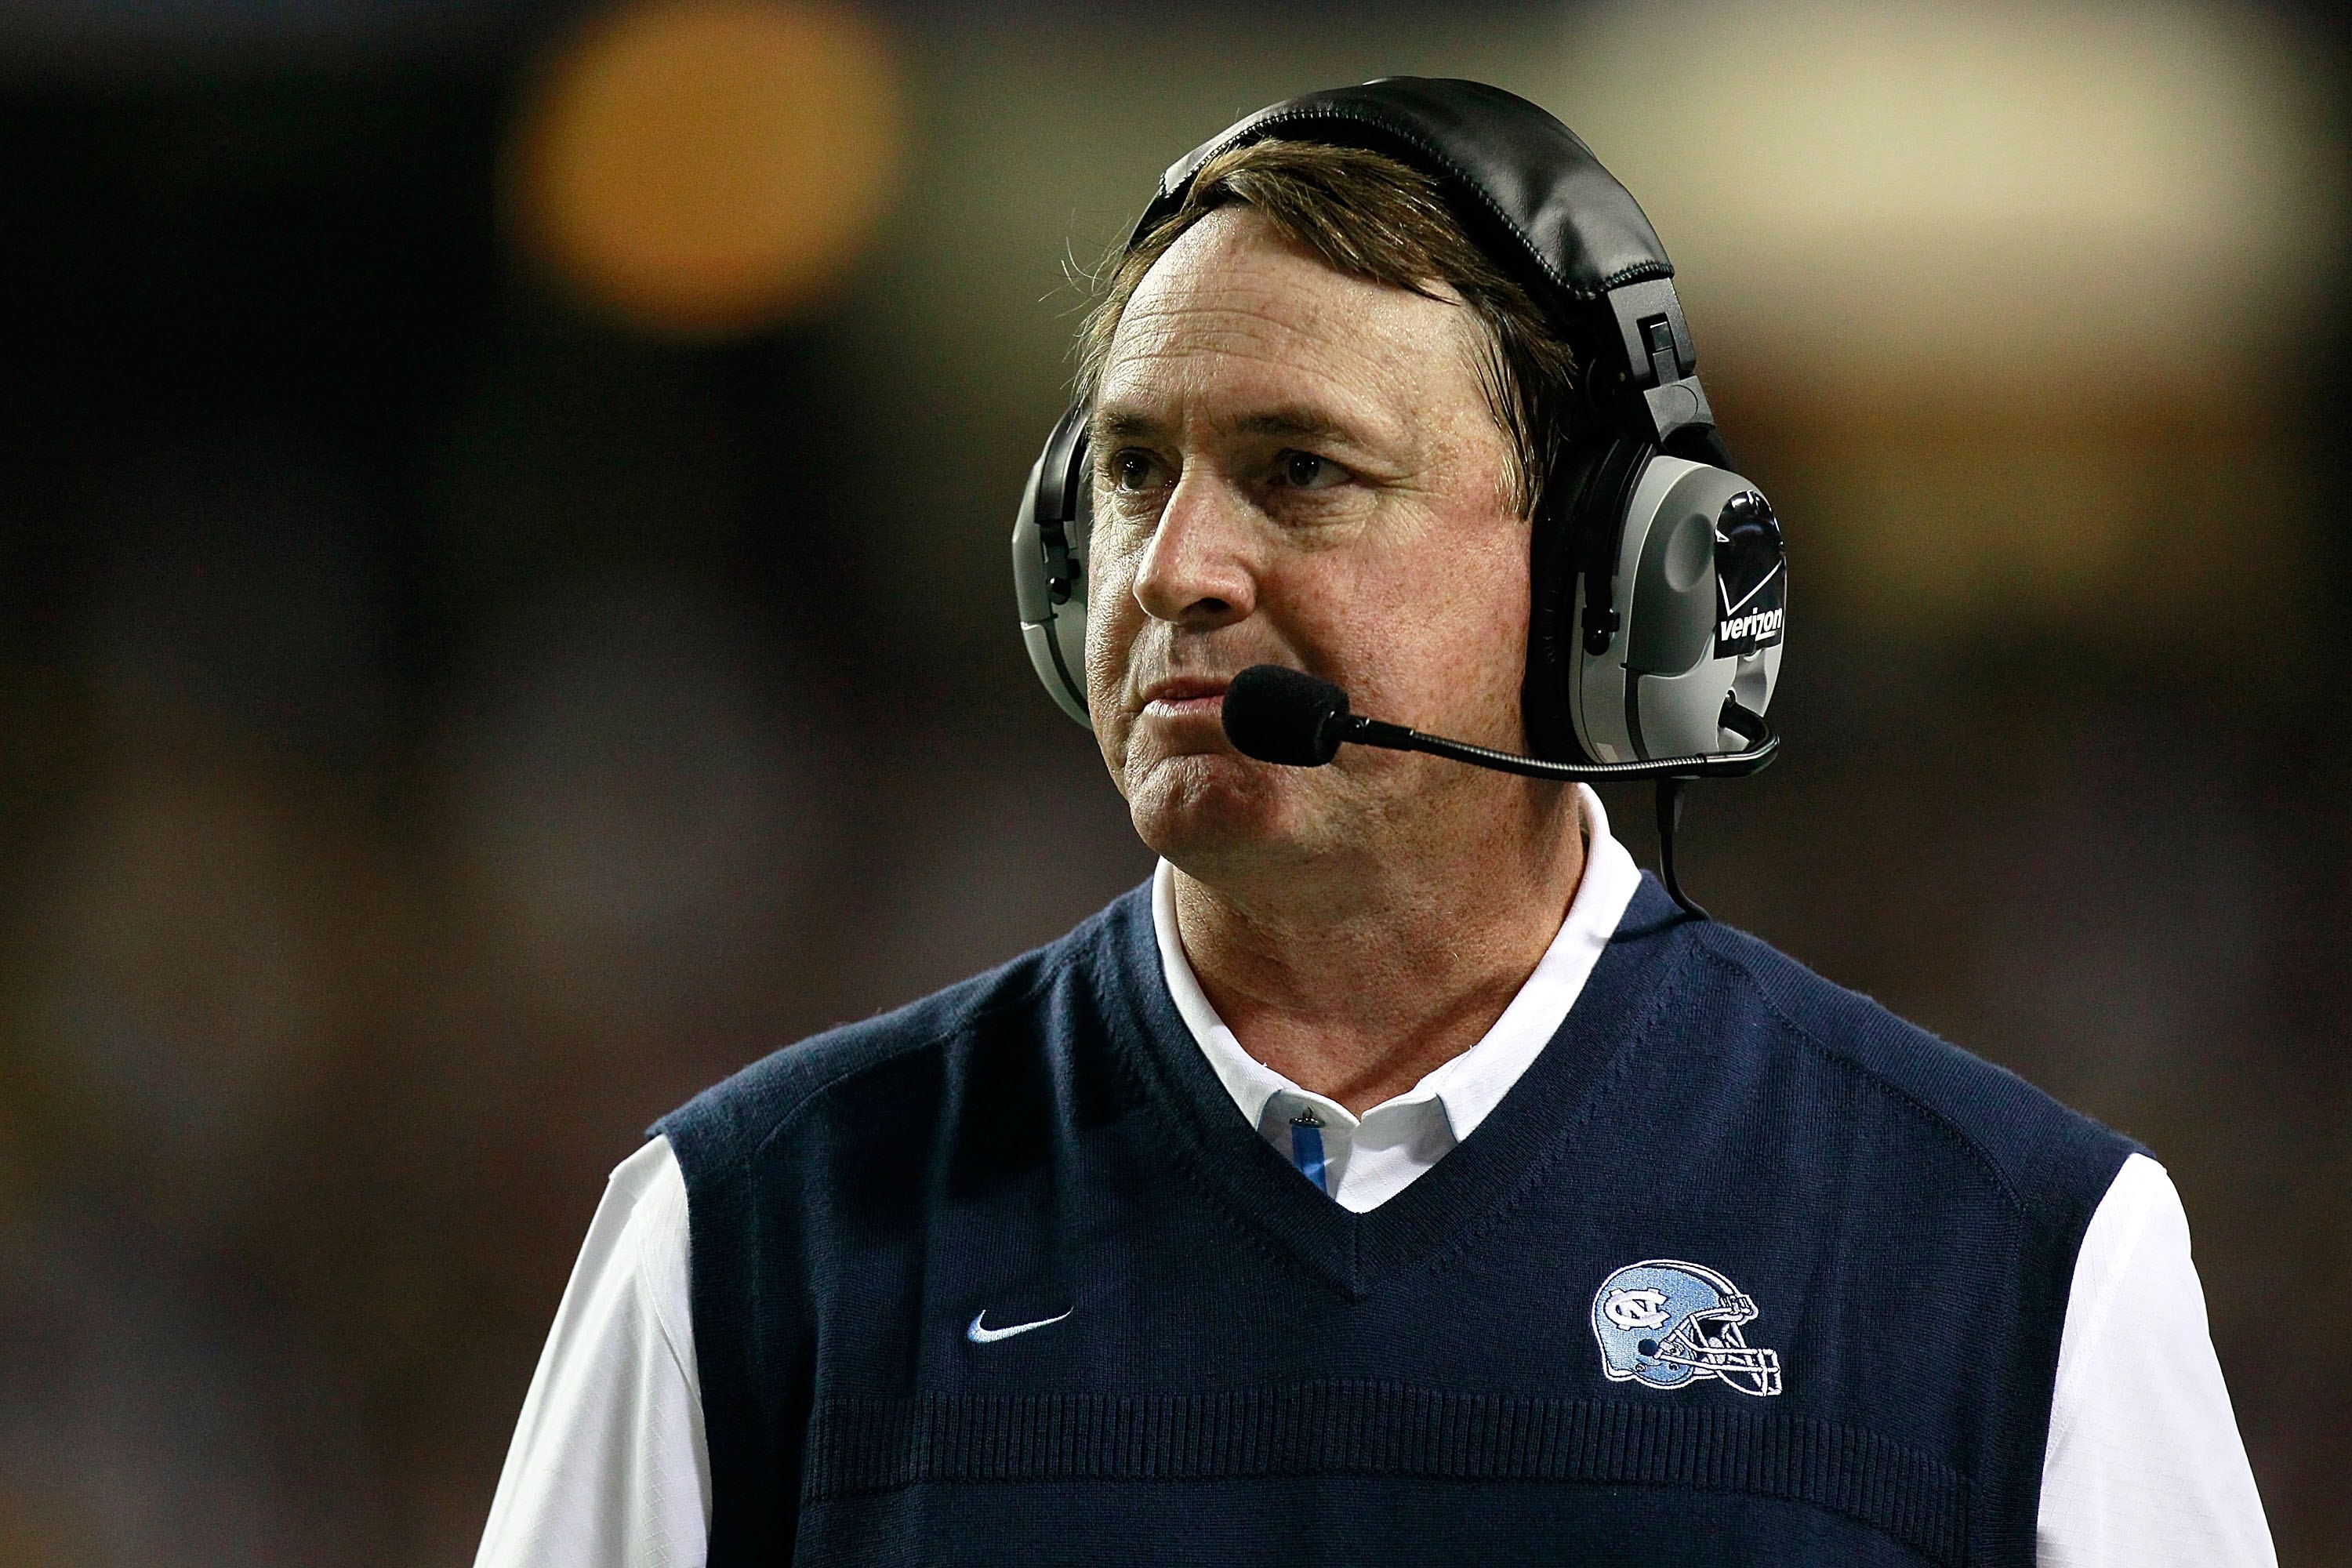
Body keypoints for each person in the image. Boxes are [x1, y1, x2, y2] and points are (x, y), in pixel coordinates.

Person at [474, 81, 2274, 1567]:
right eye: (1128, 471)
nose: (1174, 570)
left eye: (1301, 473)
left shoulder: (2023, 1263)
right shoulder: (743, 1235)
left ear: (1602, 581)